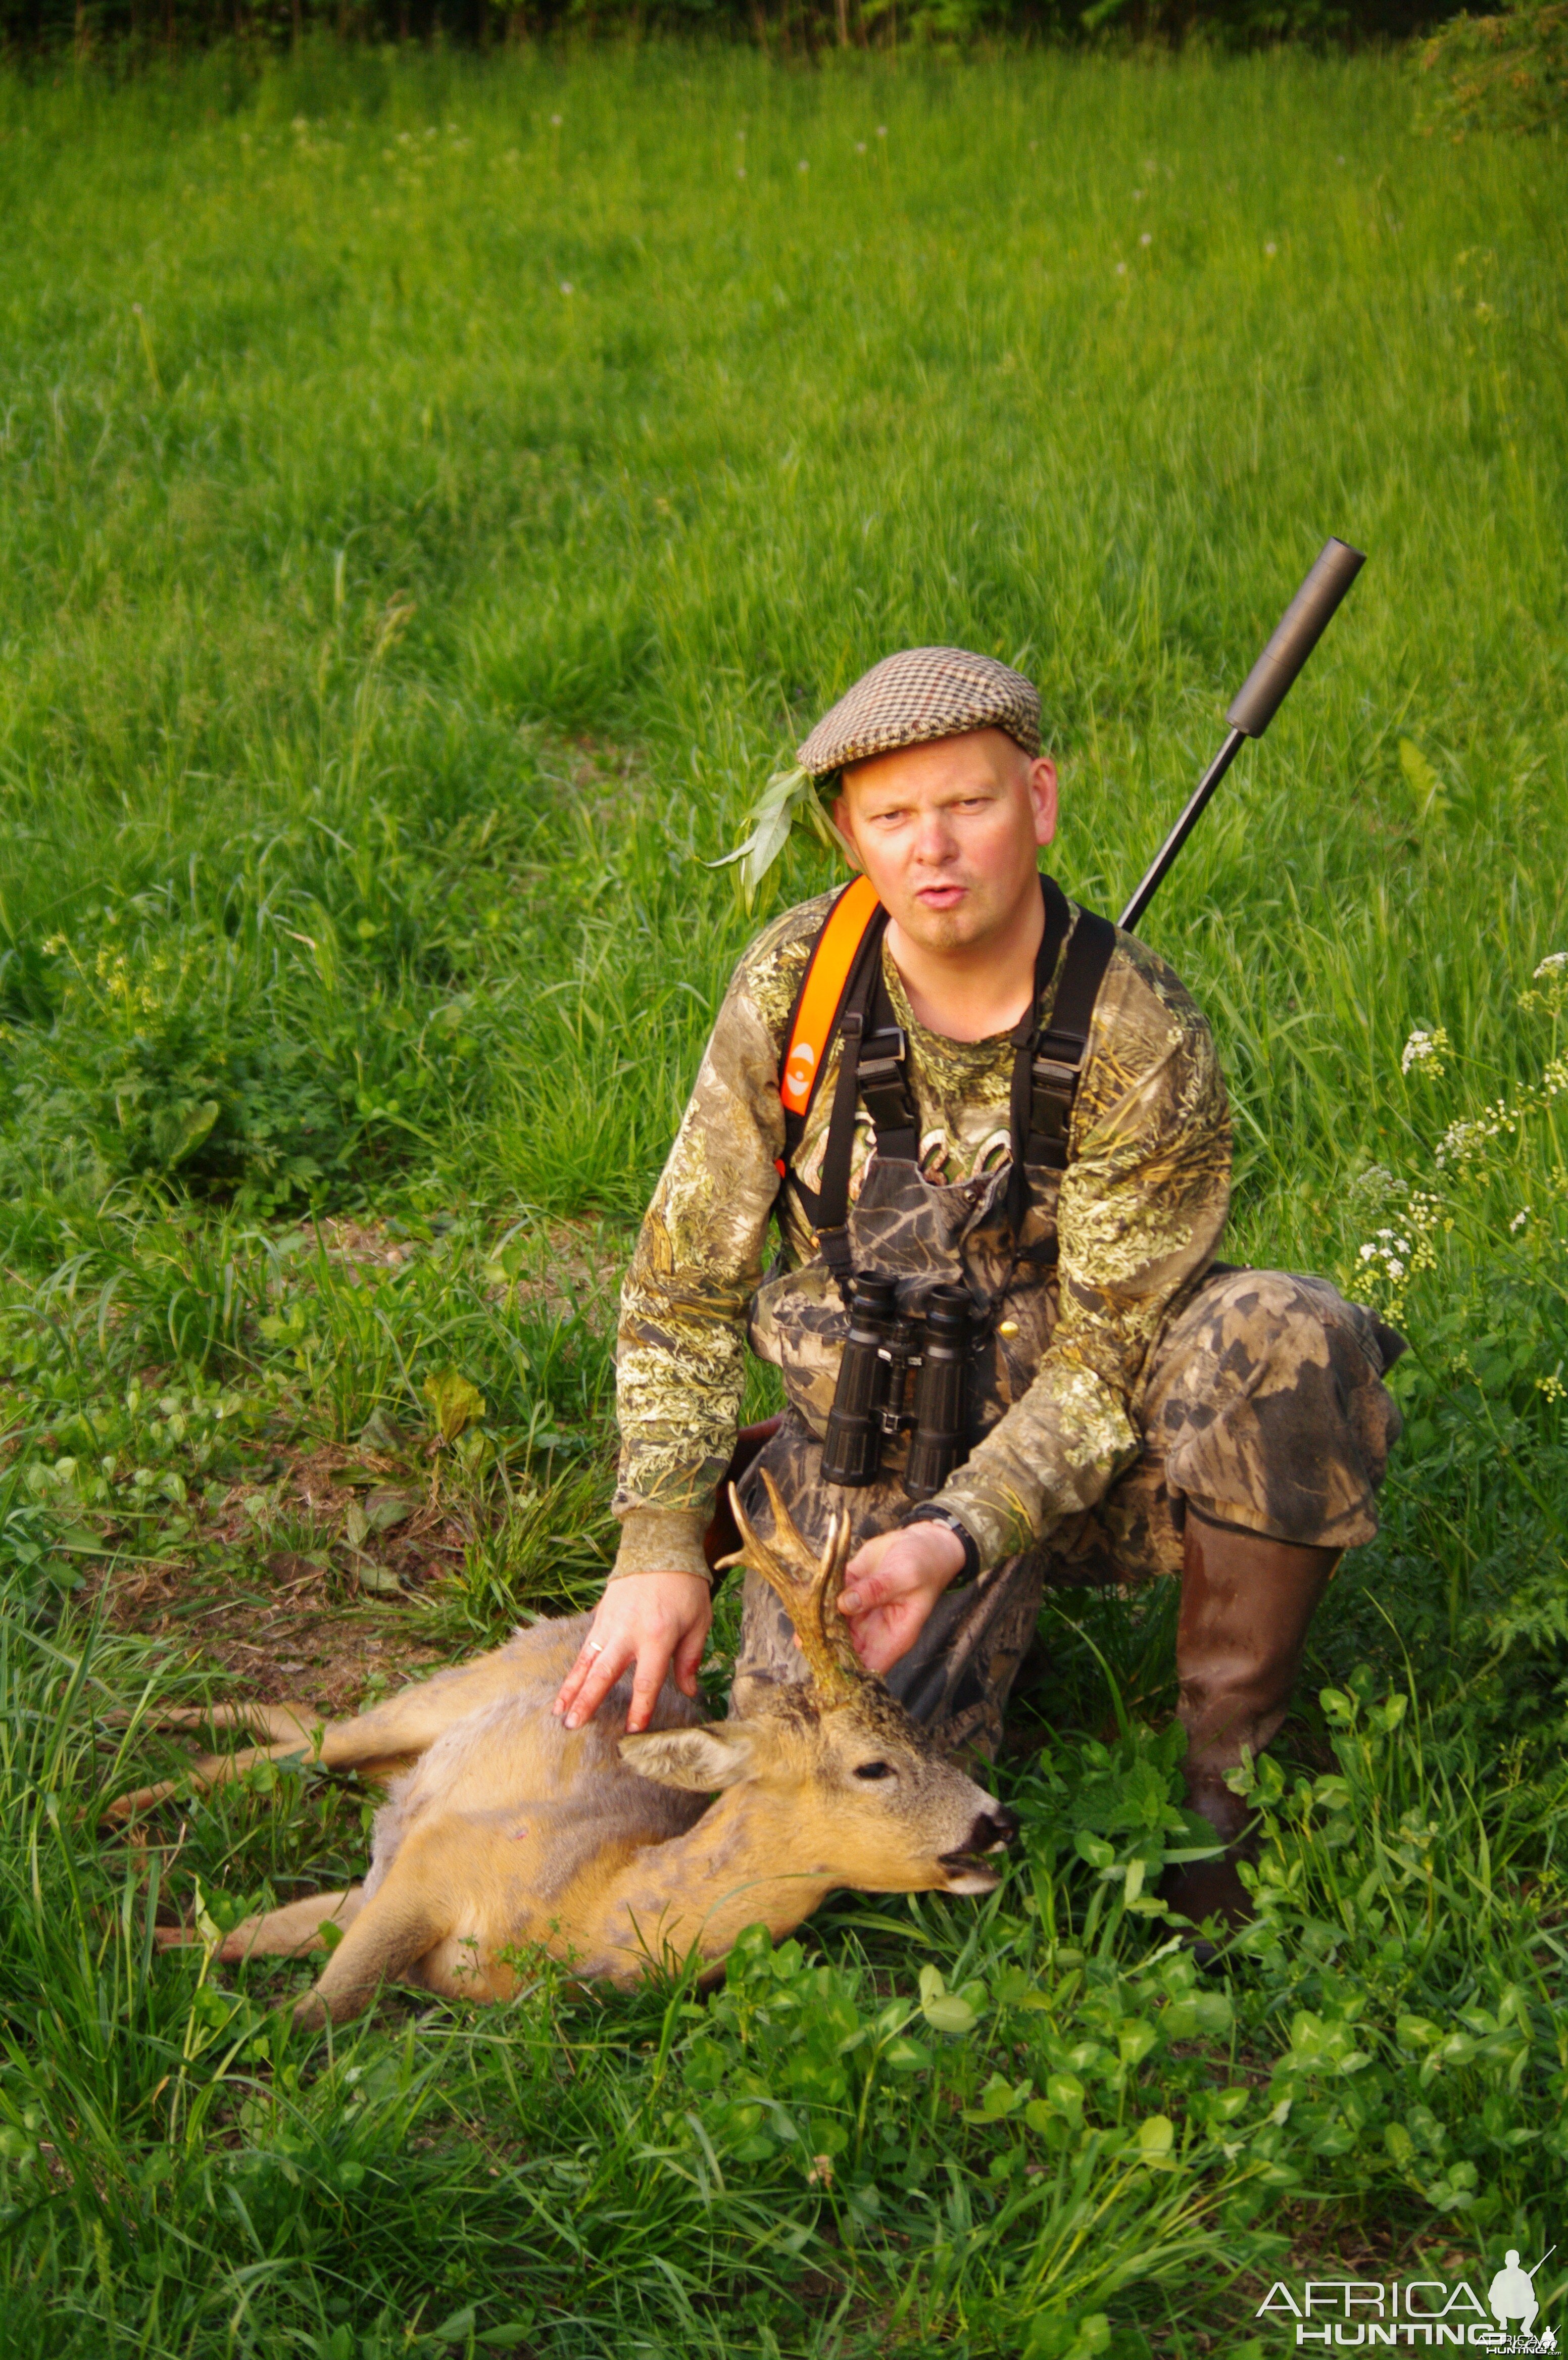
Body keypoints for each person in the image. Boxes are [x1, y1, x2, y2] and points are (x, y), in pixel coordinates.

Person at [553, 648, 1404, 1926]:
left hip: (1087, 1456)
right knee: (837, 1832)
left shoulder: (1135, 1031)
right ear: (849, 834)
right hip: (865, 1445)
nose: (932, 849)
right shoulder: (796, 986)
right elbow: (683, 1285)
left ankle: (1224, 1803)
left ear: (1042, 801)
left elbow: (1112, 1360)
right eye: (892, 817)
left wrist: (961, 1533)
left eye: (971, 804)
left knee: (1281, 1333)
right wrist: (661, 1542)